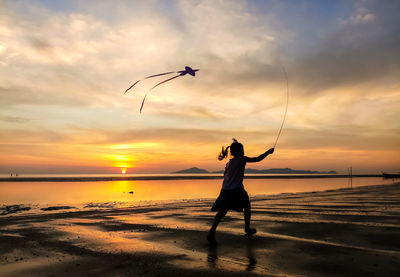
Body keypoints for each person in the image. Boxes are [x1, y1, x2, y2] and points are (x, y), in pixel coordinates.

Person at [207, 138, 274, 244]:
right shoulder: (242, 159)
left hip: (225, 190)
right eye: (242, 149)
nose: (243, 151)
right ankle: (247, 228)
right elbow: (257, 159)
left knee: (223, 211)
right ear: (240, 151)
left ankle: (212, 231)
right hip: (237, 189)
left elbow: (225, 176)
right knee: (247, 206)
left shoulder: (229, 163)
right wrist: (268, 152)